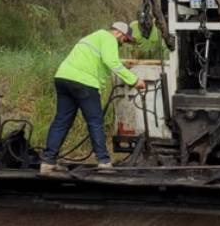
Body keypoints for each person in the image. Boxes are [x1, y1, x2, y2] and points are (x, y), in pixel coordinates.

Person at [40, 22, 146, 173]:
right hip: (84, 83)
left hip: (63, 78)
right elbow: (112, 62)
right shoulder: (109, 39)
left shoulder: (93, 37)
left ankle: (48, 162)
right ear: (118, 33)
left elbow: (99, 61)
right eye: (124, 40)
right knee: (95, 122)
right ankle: (103, 162)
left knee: (61, 121)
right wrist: (135, 81)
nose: (123, 44)